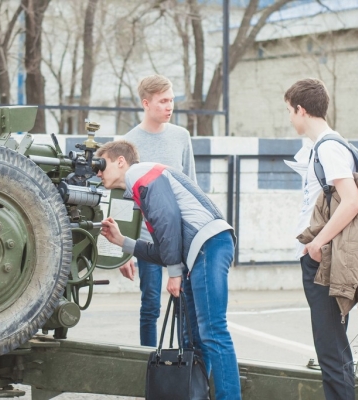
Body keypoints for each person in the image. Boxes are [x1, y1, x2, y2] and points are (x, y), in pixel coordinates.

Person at [96, 140, 241, 400]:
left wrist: (174, 273)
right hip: (198, 252)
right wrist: (122, 242)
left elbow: (169, 220)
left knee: (213, 330)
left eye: (102, 164)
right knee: (193, 339)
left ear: (121, 161)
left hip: (209, 245)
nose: (98, 172)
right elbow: (165, 248)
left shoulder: (139, 173)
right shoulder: (139, 187)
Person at [285, 78, 358, 400]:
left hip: (323, 259)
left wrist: (317, 243)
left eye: (290, 111)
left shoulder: (330, 147)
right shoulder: (321, 145)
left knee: (332, 352)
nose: (290, 118)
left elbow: (352, 201)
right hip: (322, 257)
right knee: (332, 348)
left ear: (301, 110)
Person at [120, 74, 196, 347]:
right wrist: (123, 252)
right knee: (150, 305)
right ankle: (148, 365)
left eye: (171, 100)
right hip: (147, 238)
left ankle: (187, 364)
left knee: (184, 306)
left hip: (181, 238)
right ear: (146, 103)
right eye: (163, 101)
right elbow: (124, 199)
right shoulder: (128, 143)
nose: (169, 106)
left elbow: (191, 186)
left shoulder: (181, 136)